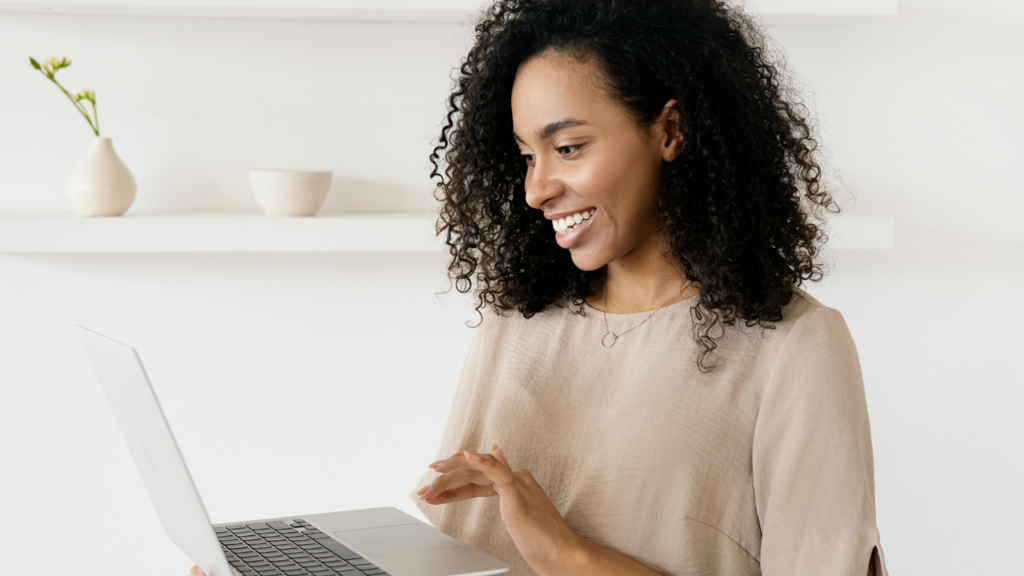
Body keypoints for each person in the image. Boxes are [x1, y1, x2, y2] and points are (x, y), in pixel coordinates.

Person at [191, 1, 888, 575]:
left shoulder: (793, 347)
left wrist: (565, 553)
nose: (538, 187)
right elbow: (452, 559)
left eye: (569, 147)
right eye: (526, 154)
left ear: (670, 131)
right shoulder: (517, 328)